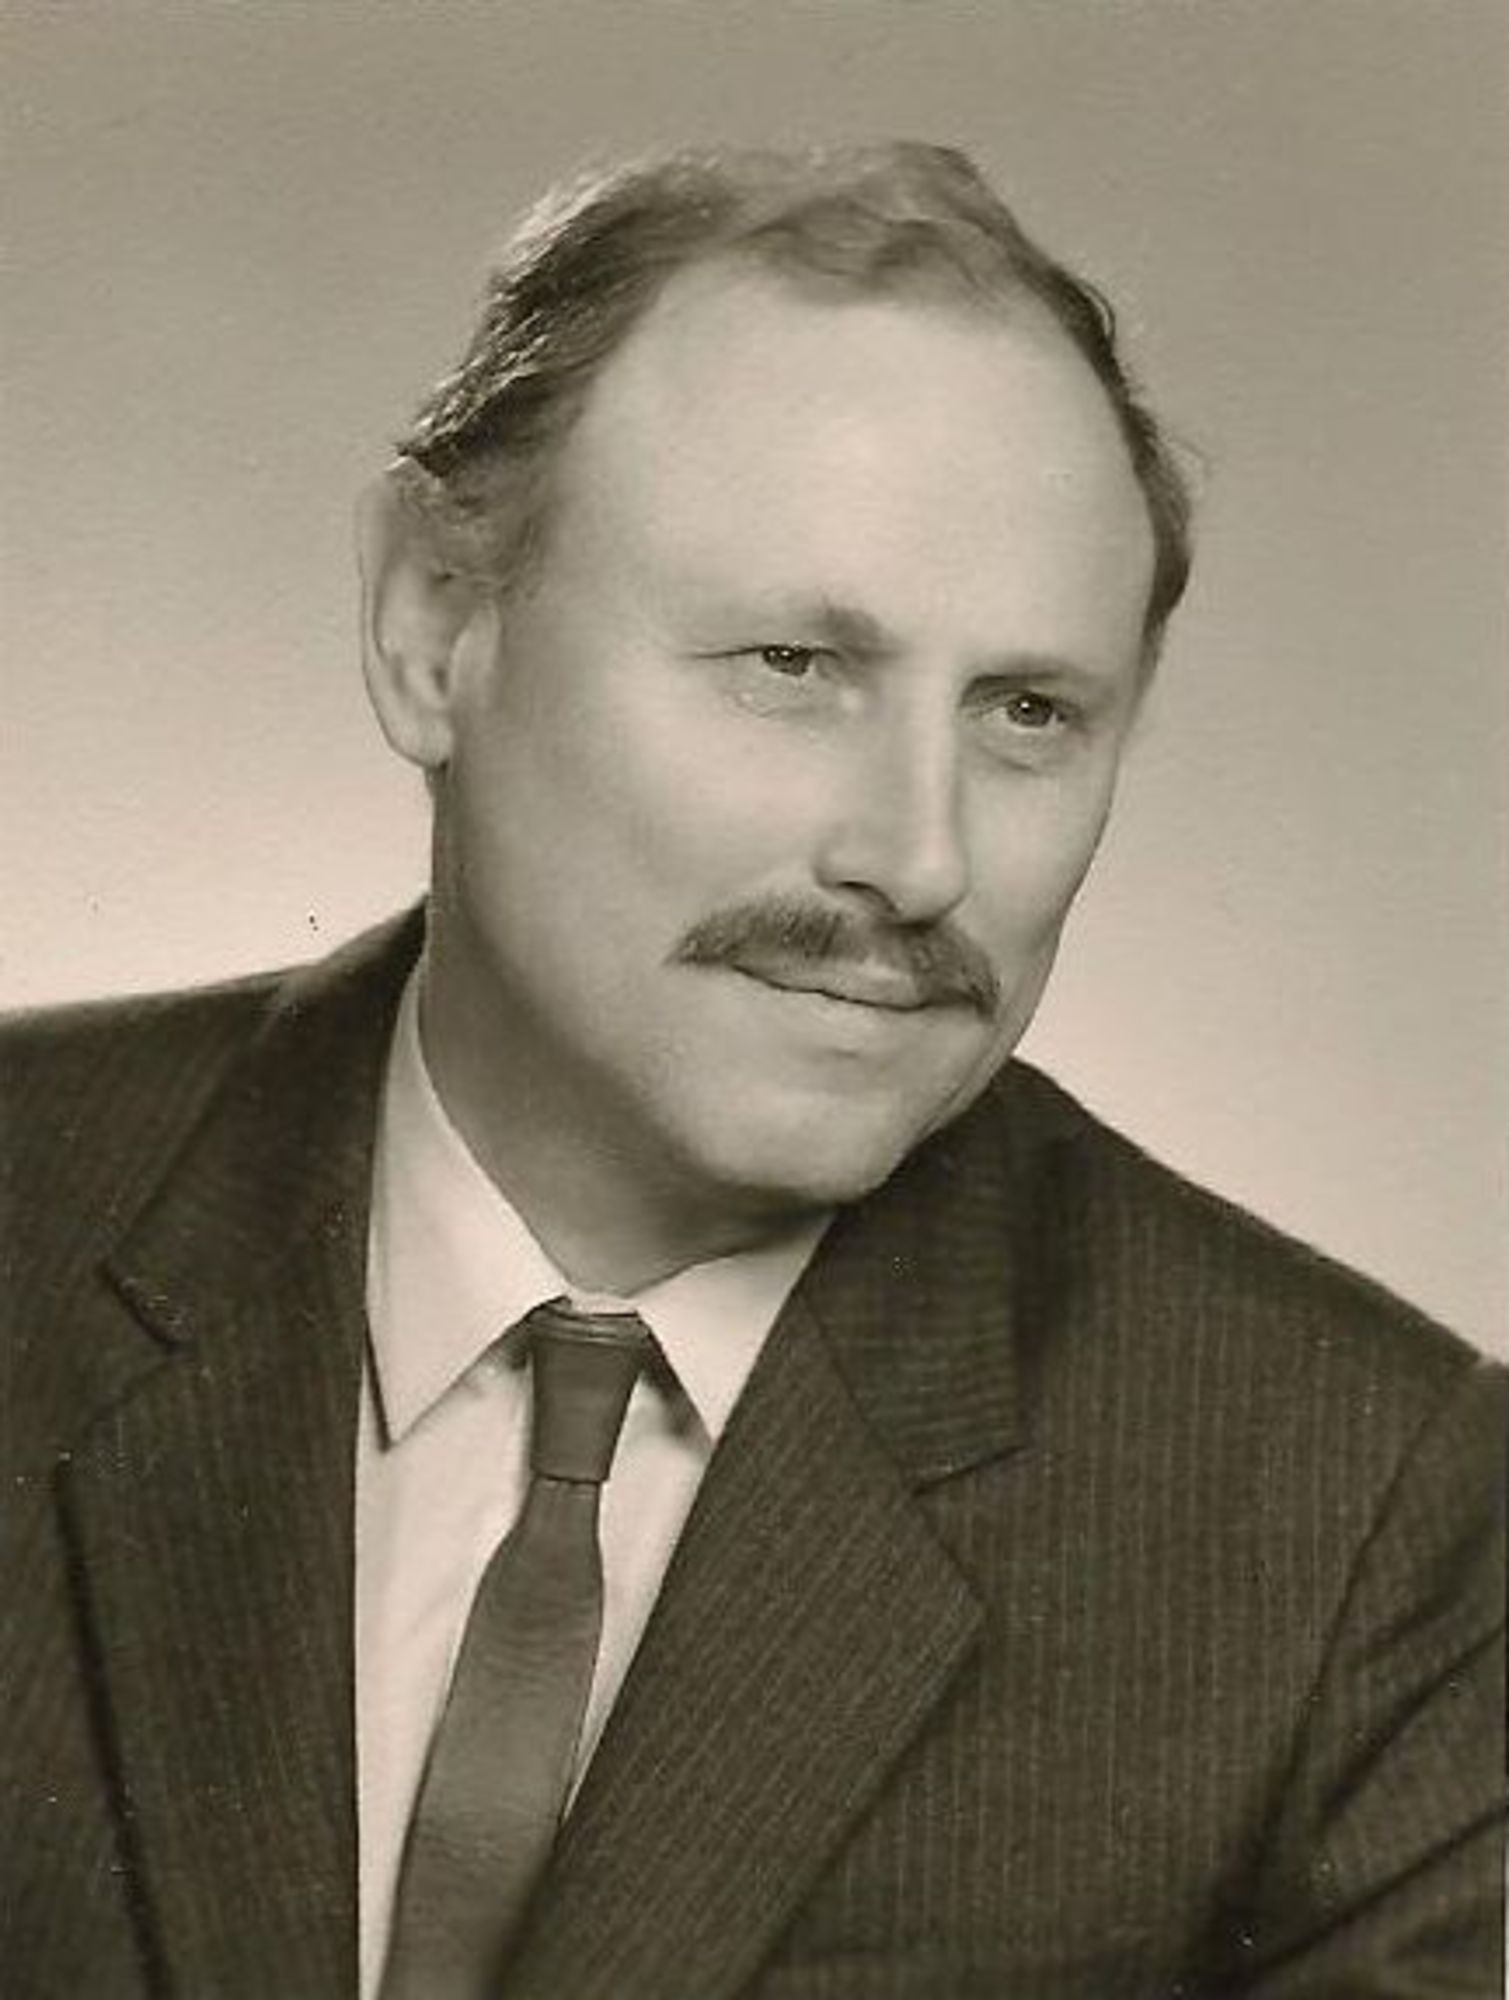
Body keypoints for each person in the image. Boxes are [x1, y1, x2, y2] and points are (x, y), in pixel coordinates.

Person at [2, 142, 1502, 2000]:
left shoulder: (1364, 1512)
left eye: (1028, 712)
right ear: (432, 623)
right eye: (792, 664)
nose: (919, 858)